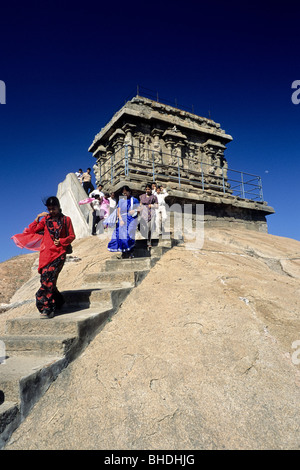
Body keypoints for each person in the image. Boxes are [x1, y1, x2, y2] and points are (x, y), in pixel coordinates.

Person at [13, 197, 76, 318]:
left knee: (48, 280)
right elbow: (32, 230)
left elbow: (72, 236)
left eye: (54, 208)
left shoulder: (66, 220)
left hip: (59, 254)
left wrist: (62, 241)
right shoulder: (46, 220)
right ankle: (59, 302)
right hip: (46, 254)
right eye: (49, 209)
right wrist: (37, 218)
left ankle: (46, 308)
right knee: (46, 280)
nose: (51, 211)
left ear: (58, 206)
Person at [107, 186, 139, 258]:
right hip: (122, 219)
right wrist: (121, 220)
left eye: (126, 193)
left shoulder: (134, 200)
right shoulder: (121, 201)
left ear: (129, 192)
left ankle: (130, 252)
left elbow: (139, 209)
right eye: (123, 193)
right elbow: (118, 211)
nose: (125, 194)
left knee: (129, 235)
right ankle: (124, 253)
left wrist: (135, 210)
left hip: (131, 219)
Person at [139, 183, 158, 249]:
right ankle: (145, 236)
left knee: (150, 228)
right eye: (146, 189)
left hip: (151, 213)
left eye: (149, 189)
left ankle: (149, 241)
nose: (147, 190)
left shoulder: (154, 197)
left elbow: (157, 206)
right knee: (141, 227)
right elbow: (140, 204)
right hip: (143, 213)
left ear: (151, 189)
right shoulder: (142, 196)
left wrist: (151, 205)